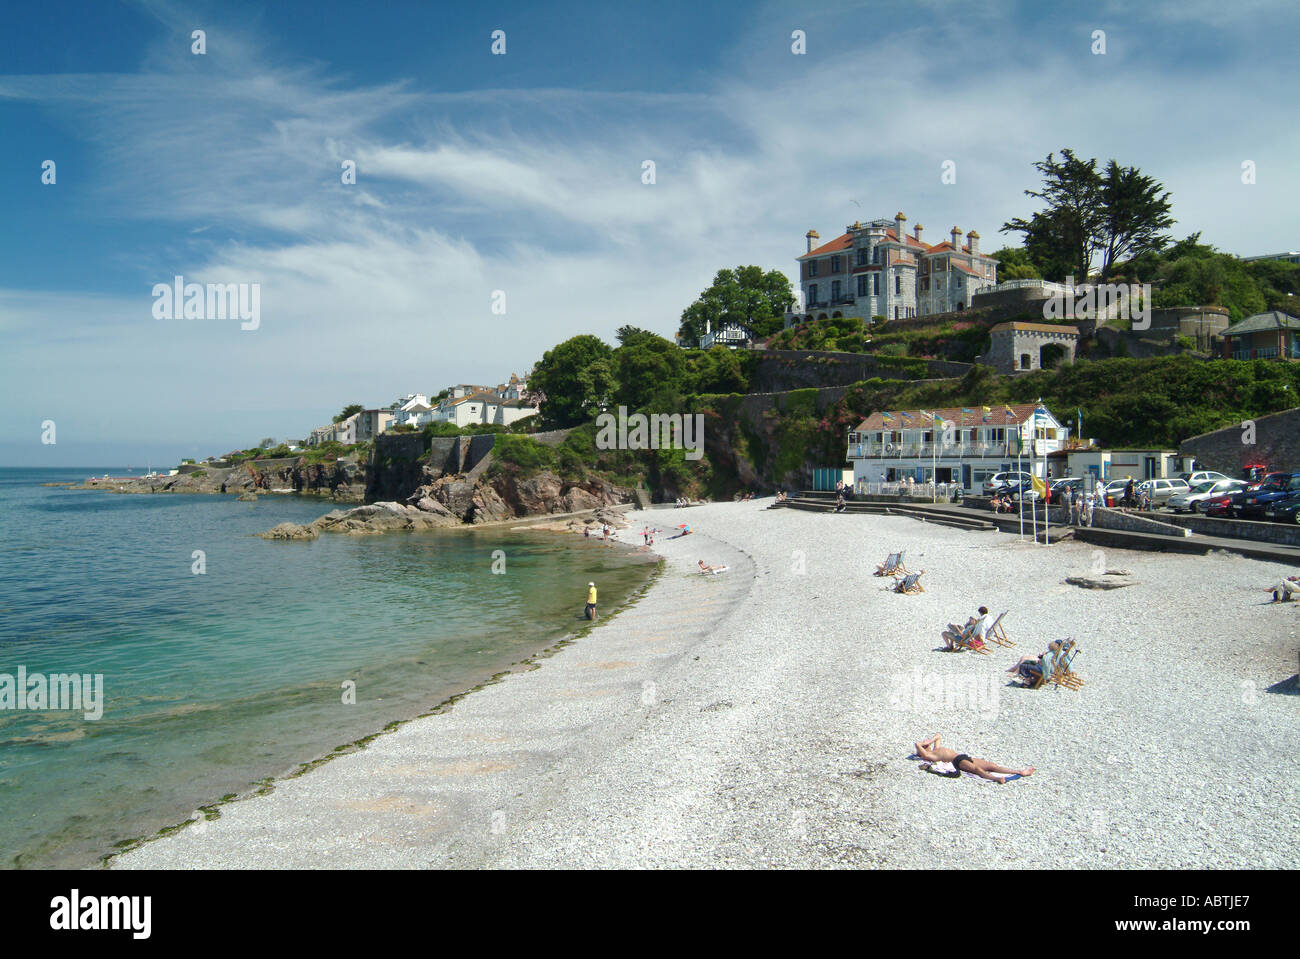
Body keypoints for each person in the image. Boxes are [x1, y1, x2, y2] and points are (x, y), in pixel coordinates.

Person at [914, 735, 1033, 784]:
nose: (926, 744)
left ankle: (1019, 771)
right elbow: (917, 744)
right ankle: (997, 779)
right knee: (978, 770)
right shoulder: (930, 756)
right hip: (958, 761)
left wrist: (929, 741)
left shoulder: (936, 749)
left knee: (992, 765)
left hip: (964, 756)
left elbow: (938, 735)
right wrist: (921, 745)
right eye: (925, 746)